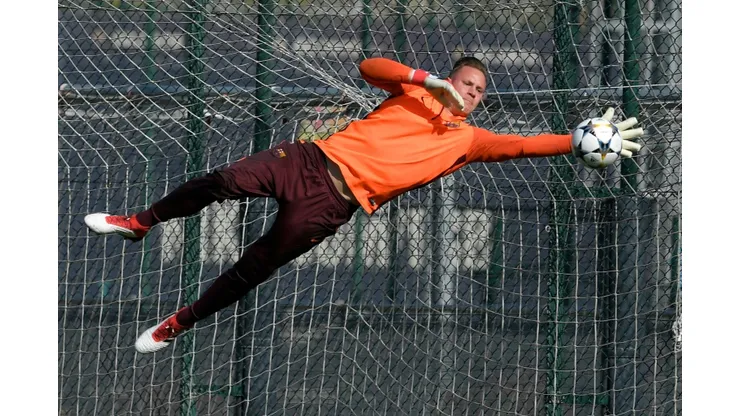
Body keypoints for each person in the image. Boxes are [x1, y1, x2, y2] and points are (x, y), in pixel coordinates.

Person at [84, 56, 645, 354]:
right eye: (466, 81)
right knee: (222, 179)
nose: (471, 92)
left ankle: (178, 323)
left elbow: (524, 145)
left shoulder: (469, 141)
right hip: (309, 159)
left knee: (255, 266)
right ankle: (139, 222)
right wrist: (426, 79)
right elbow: (369, 66)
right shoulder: (417, 91)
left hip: (334, 204)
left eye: (479, 90)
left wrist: (576, 140)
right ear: (450, 78)